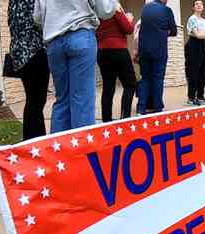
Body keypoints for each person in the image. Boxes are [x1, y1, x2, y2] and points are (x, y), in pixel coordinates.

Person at [34, 0, 118, 132]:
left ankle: (59, 150)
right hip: (80, 33)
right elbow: (106, 9)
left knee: (62, 100)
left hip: (54, 41)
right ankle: (83, 150)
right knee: (82, 101)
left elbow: (38, 17)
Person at [8, 0, 50, 140]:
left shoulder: (13, 2)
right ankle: (36, 143)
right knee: (37, 102)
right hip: (35, 51)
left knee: (32, 100)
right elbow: (41, 20)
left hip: (19, 55)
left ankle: (29, 140)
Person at [136, 0, 177, 115]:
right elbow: (174, 31)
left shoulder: (145, 8)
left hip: (144, 50)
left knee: (145, 78)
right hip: (159, 50)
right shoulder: (166, 10)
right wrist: (164, 32)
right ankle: (157, 107)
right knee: (158, 78)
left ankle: (141, 108)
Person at [96, 7, 136, 122]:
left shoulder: (97, 9)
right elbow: (128, 29)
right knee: (130, 84)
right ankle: (125, 118)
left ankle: (106, 120)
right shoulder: (114, 6)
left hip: (102, 51)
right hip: (118, 50)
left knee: (108, 87)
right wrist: (129, 19)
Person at [185, 0, 205, 106]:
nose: (199, 5)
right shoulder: (192, 19)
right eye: (196, 4)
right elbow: (197, 35)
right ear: (193, 7)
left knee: (203, 72)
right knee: (194, 72)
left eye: (201, 4)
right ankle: (191, 97)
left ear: (203, 7)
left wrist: (203, 34)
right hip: (194, 46)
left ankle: (200, 96)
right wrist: (203, 34)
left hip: (203, 46)